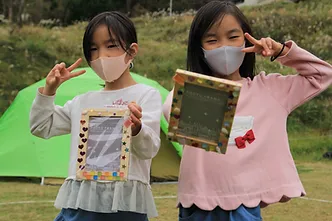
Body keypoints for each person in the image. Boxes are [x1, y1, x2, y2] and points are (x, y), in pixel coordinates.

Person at [163, 1, 332, 220]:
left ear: (247, 38)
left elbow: (321, 75)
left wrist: (282, 51)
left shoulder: (269, 90)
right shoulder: (191, 91)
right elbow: (170, 113)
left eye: (233, 37)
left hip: (244, 205)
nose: (224, 47)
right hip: (198, 204)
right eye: (212, 40)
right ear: (200, 47)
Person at [30, 11, 162, 221]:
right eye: (93, 49)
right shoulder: (83, 102)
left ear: (132, 51)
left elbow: (149, 149)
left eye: (111, 46)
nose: (102, 56)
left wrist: (137, 129)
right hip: (82, 204)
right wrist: (49, 90)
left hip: (125, 207)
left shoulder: (146, 95)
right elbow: (41, 126)